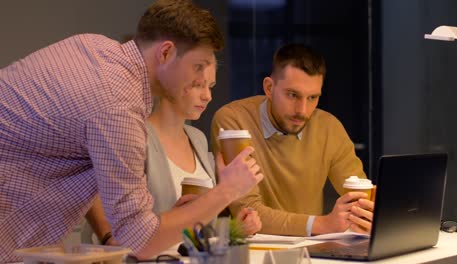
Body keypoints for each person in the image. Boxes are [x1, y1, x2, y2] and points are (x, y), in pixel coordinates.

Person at [0, 0, 263, 262]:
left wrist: (173, 219)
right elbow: (139, 242)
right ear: (166, 53)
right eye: (197, 67)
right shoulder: (119, 106)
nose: (200, 82)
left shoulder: (92, 46)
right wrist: (228, 190)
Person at [84, 57, 262, 245]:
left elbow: (196, 227)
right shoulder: (133, 137)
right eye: (198, 85)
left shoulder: (197, 138)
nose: (208, 96)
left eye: (210, 86)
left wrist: (234, 229)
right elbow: (107, 212)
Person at [211, 43, 374, 237]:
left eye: (313, 97)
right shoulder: (233, 121)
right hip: (252, 250)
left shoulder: (329, 127)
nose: (302, 111)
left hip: (310, 250)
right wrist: (324, 224)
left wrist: (368, 211)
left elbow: (359, 196)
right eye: (292, 95)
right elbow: (247, 213)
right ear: (269, 88)